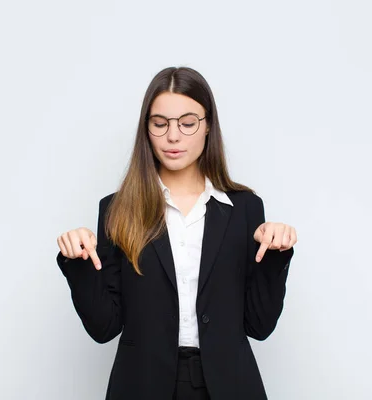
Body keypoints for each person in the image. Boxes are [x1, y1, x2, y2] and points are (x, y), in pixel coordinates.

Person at [56, 66, 297, 400]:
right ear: (146, 129)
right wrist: (79, 261)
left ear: (208, 125)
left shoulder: (245, 209)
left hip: (228, 386)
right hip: (142, 385)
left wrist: (275, 255)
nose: (173, 136)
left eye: (187, 123)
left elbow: (260, 325)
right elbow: (104, 327)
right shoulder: (117, 210)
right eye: (160, 124)